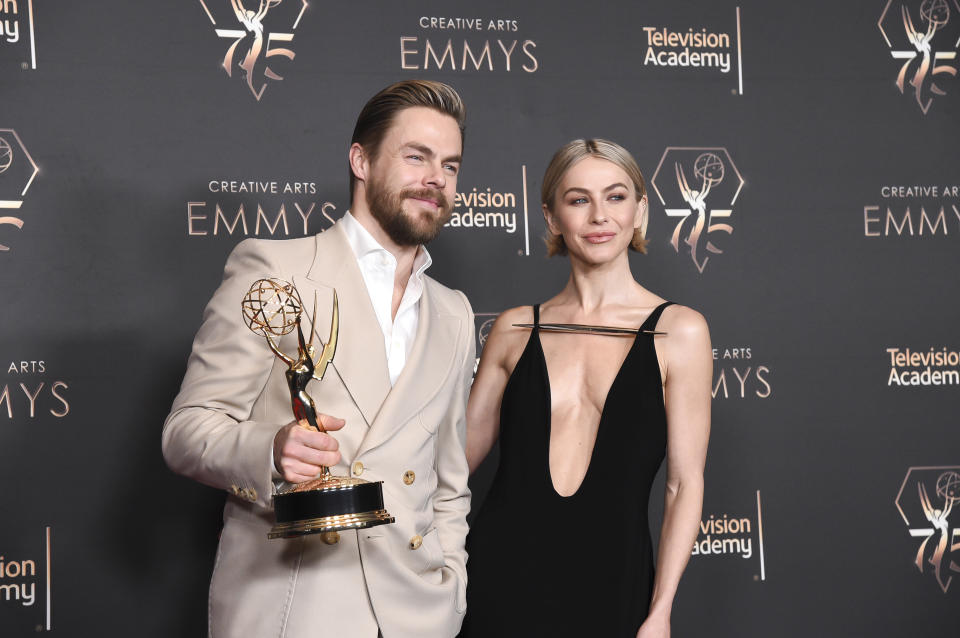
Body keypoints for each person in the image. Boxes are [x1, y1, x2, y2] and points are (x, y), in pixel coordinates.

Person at [162, 80, 475, 638]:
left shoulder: (453, 313)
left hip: (417, 613)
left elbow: (448, 480)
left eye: (450, 166)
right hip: (297, 607)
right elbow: (186, 431)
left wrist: (450, 586)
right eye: (416, 157)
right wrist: (271, 450)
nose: (436, 179)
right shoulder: (275, 269)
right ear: (361, 159)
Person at [460, 139, 711, 638]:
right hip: (498, 579)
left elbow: (684, 486)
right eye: (578, 200)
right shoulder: (514, 330)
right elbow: (451, 464)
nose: (599, 216)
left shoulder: (679, 331)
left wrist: (660, 612)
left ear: (640, 211)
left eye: (616, 197)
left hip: (613, 585)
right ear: (552, 218)